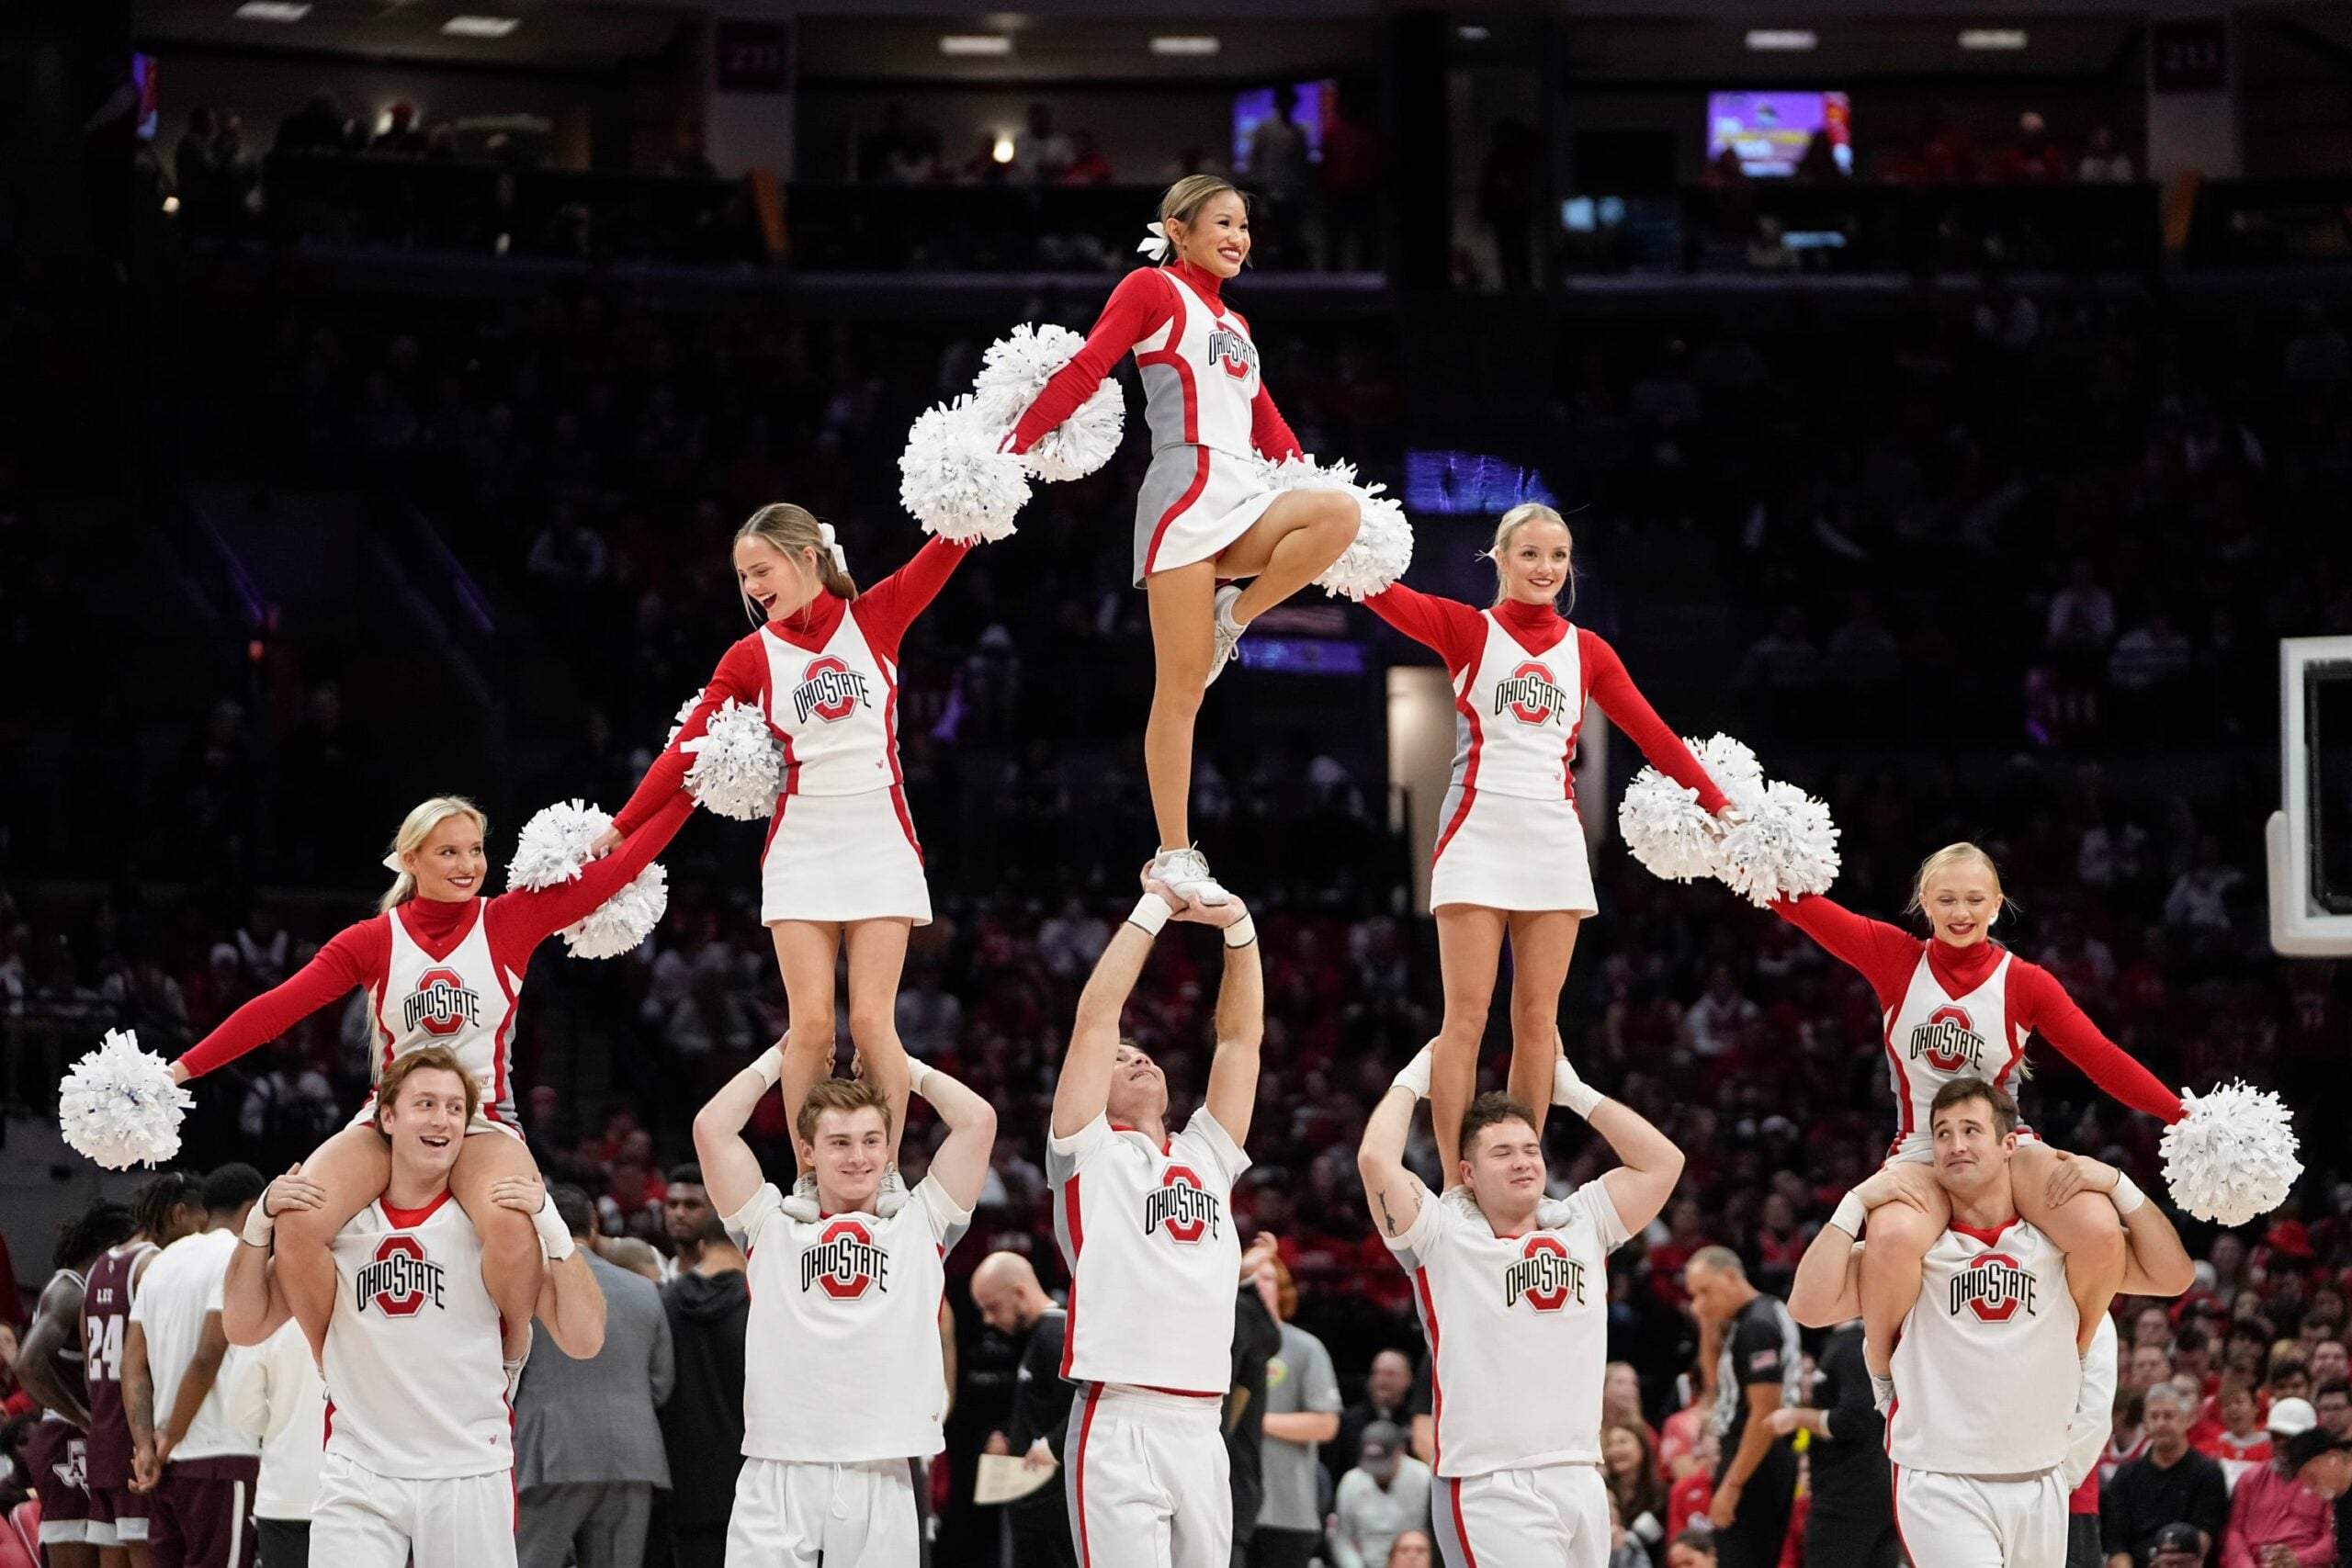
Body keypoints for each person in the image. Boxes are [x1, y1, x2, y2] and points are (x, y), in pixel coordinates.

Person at [168, 789, 693, 1364]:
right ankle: (334, 1360)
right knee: (298, 1223)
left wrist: (694, 782)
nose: (467, 866)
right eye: (448, 852)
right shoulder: (371, 940)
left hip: (483, 1117)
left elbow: (625, 864)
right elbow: (275, 1011)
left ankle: (510, 1358)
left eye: (475, 850)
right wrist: (181, 1070)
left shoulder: (508, 920)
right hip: (387, 1118)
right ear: (410, 860)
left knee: (513, 1226)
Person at [603, 505, 974, 1217]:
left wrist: (995, 460)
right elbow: (690, 746)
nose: (751, 586)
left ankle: (884, 1172)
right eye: (743, 576)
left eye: (761, 570)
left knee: (872, 1021)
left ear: (807, 557)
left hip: (879, 833)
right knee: (810, 1026)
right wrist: (623, 825)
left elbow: (953, 540)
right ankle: (811, 1178)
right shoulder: (750, 655)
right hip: (801, 840)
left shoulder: (879, 614)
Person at [1005, 175, 1365, 905]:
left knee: (1339, 514)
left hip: (1244, 494)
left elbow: (1268, 426)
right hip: (1183, 497)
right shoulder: (1151, 289)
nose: (1239, 237)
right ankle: (1173, 851)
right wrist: (1012, 444)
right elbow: (1089, 365)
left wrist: (1308, 474)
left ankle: (1235, 616)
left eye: (1245, 226)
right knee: (1181, 689)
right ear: (1178, 229)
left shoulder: (1238, 325)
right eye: (1223, 223)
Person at [1362, 502, 1728, 1173]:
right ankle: (1458, 1180)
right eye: (1530, 554)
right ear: (1498, 559)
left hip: (1553, 840)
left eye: (1558, 556)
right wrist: (1331, 530)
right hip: (1476, 831)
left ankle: (1518, 1167)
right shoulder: (1467, 630)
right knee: (1466, 1017)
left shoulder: (1589, 651)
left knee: (1538, 1018)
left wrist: (1717, 800)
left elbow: (1652, 734)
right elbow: (1378, 590)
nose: (1546, 568)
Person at [1763, 842, 2195, 1384]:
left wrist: (2182, 1115)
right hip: (1922, 1146)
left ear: (1996, 905)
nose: (1960, 913)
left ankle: (2072, 1356)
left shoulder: (2026, 982)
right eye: (1946, 899)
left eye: (1973, 900)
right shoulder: (1894, 956)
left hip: (2006, 1142)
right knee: (1892, 1240)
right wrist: (1726, 832)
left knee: (2097, 1228)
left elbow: (2101, 1058)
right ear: (1924, 902)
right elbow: (1794, 903)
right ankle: (1885, 1377)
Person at [220, 1046, 605, 1568]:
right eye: (425, 1103)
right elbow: (242, 1325)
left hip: (467, 1465)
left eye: (454, 1108)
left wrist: (553, 1228)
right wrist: (259, 1222)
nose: (442, 1119)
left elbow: (585, 1340)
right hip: (359, 1469)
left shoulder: (494, 1229)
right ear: (387, 1117)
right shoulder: (339, 1230)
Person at [1788, 1077, 2189, 1568]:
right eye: (1942, 1133)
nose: (1955, 1145)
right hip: (1941, 1482)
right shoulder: (1914, 1253)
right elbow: (1807, 1305)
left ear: (2008, 1145)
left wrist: (2117, 1183)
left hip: (2040, 1479)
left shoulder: (2056, 1247)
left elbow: (2173, 1276)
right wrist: (1856, 1203)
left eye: (1970, 1130)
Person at [1358, 1040, 1686, 1567]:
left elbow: (1663, 1163)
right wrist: (1414, 1079)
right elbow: (1375, 1159)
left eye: (1530, 1149)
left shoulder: (1583, 1222)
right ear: (1468, 1172)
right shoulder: (1443, 1234)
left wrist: (1575, 1093)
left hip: (1580, 1471)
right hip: (1491, 1483)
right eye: (1502, 1153)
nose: (1523, 1163)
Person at [692, 1023, 995, 1564]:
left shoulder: (920, 1223)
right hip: (779, 1462)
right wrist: (776, 1059)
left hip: (884, 1464)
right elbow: (713, 1129)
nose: (858, 1157)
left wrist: (906, 1067)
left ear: (888, 1147)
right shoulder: (770, 1225)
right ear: (807, 1151)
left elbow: (977, 1122)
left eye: (871, 1141)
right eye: (839, 1142)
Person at [1046, 867, 1264, 1568]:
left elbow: (1238, 1041)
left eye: (1141, 1052)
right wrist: (1155, 906)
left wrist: (1237, 927)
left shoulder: (1207, 1152)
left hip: (1202, 1420)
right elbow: (1095, 1016)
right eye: (1118, 1058)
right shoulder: (1086, 1149)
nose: (1134, 1054)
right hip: (1120, 1414)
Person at [514, 1186, 674, 1568]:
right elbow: (661, 1384)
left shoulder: (525, 1290)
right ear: (595, 1223)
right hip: (632, 1457)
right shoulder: (644, 1291)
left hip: (549, 1456)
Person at [124, 1164, 267, 1568]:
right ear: (253, 1208)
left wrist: (146, 1446)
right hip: (220, 1452)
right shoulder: (237, 1256)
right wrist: (170, 1436)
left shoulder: (161, 1263)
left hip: (166, 1464)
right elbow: (207, 1356)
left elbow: (132, 1363)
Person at [84, 1170, 206, 1565]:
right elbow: (148, 1357)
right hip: (136, 1440)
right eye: (198, 1224)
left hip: (102, 1436)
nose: (200, 1235)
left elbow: (91, 1356)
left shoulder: (101, 1264)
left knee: (111, 1557)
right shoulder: (155, 1264)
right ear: (179, 1213)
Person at [15, 1200, 136, 1568]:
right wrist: (84, 1417)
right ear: (109, 1244)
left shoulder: (96, 1290)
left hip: (94, 1442)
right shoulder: (69, 1291)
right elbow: (27, 1363)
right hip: (68, 1440)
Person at [1681, 1247, 1801, 1568]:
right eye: (1695, 1296)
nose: (1700, 1303)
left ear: (1731, 1276)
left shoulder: (1757, 1326)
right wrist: (1707, 1321)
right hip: (1759, 1454)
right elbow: (1713, 1382)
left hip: (1755, 1456)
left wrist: (1733, 1485)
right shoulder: (1757, 1315)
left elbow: (1765, 1412)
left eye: (1705, 1291)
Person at [971, 1252, 1076, 1568]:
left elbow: (1084, 1414)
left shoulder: (1055, 1336)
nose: (988, 1320)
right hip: (1034, 1510)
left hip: (1052, 1516)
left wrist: (1048, 1447)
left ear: (1019, 1293)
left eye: (992, 1307)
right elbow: (1043, 1410)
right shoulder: (1037, 1337)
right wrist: (1009, 1436)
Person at [1764, 1317, 1894, 1568]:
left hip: (1847, 1499)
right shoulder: (1865, 1343)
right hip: (1876, 1492)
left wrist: (1797, 1417)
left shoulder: (1850, 1347)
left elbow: (1854, 1420)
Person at [658, 1214, 748, 1568]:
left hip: (684, 1475)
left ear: (700, 1246)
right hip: (751, 1473)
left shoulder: (664, 1301)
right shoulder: (762, 1302)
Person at [1252, 1253, 1341, 1566]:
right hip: (1230, 1508)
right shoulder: (1222, 1346)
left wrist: (1255, 1421)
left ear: (1282, 1289)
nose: (1256, 1287)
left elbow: (1325, 1424)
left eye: (1265, 1278)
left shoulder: (1305, 1348)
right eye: (1246, 1281)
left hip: (1288, 1511)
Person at [222, 1315, 325, 1568]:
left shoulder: (268, 1312)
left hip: (284, 1491)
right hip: (357, 1492)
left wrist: (281, 1427)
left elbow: (241, 1408)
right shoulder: (363, 1304)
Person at [2102, 1382, 2229, 1567]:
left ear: (2188, 1420)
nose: (2161, 1423)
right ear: (2145, 1425)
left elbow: (2205, 1537)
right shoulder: (2125, 1475)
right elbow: (2116, 1543)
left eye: (2169, 1416)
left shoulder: (2208, 1472)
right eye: (2154, 1417)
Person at [2218, 1425, 2348, 1567]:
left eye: (2313, 1477)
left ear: (2333, 1458)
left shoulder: (2332, 1491)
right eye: (2276, 1437)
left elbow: (2331, 1543)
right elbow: (2234, 1531)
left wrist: (2300, 1559)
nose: (2312, 1486)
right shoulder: (2249, 1478)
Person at [1330, 1422, 1430, 1568]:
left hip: (1411, 1559)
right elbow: (1342, 1536)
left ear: (1400, 1452)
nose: (1379, 1473)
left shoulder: (1422, 1478)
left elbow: (1430, 1534)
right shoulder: (1351, 1481)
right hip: (1365, 1561)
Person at [1332, 1350, 1416, 1486]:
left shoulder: (1417, 1422)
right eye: (1377, 1373)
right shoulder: (1349, 1421)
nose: (1382, 1380)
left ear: (1408, 1378)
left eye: (1390, 1374)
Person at [1600, 1421, 1669, 1561]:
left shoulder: (1660, 1493)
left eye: (1623, 1442)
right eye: (1611, 1445)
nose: (1615, 1450)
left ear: (1642, 1446)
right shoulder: (1602, 1489)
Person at [661, 1165, 713, 1274]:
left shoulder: (732, 1279)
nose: (679, 1213)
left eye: (691, 1205)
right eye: (672, 1204)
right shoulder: (658, 1277)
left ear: (714, 1209)